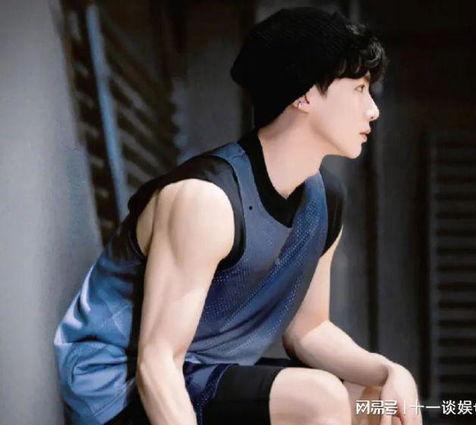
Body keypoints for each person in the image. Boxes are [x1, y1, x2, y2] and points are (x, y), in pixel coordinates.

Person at [54, 6, 422, 425]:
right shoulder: (205, 200)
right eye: (358, 89)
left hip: (203, 372)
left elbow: (308, 330)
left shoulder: (325, 201)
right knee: (321, 398)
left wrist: (389, 371)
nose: (373, 110)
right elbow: (157, 363)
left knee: (373, 403)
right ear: (304, 95)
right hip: (119, 389)